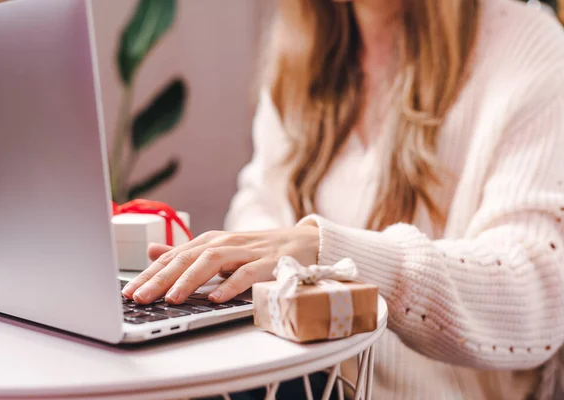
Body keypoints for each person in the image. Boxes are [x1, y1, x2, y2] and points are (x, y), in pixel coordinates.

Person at [122, 0, 564, 398]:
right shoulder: (302, 52)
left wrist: (327, 254)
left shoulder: (531, 47)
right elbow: (258, 207)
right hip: (296, 381)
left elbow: (535, 298)